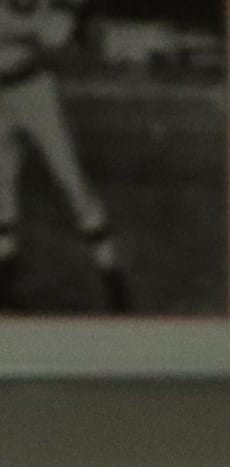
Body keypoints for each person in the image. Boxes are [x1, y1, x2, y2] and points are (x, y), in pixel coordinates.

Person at [0, 0, 125, 309]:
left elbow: (55, 32)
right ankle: (5, 279)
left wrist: (72, 19)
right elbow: (52, 31)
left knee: (69, 179)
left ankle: (112, 277)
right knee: (1, 185)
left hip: (34, 91)